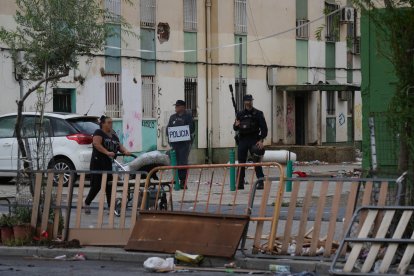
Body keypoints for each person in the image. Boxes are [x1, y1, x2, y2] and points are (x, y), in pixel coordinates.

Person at [84, 115, 131, 214]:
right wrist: (107, 152)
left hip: (108, 164)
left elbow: (119, 146)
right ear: (103, 124)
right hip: (98, 162)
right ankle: (87, 203)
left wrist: (125, 151)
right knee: (97, 185)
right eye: (108, 122)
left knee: (109, 185)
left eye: (111, 122)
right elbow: (96, 144)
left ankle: (110, 207)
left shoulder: (113, 135)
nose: (111, 124)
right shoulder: (99, 132)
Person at [233, 94, 268, 190]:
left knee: (256, 162)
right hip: (243, 140)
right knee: (241, 162)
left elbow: (264, 129)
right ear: (244, 102)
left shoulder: (258, 113)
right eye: (247, 100)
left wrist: (261, 140)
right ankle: (240, 183)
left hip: (254, 140)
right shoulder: (240, 114)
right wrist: (236, 125)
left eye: (251, 100)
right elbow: (235, 127)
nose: (249, 102)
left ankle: (260, 182)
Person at [166, 100, 195, 189]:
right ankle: (176, 179)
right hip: (174, 144)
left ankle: (183, 181)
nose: (176, 108)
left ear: (182, 107)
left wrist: (181, 130)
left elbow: (192, 129)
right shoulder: (172, 117)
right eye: (175, 106)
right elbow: (168, 129)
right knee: (175, 162)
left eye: (177, 106)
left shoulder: (188, 117)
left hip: (184, 144)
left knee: (182, 162)